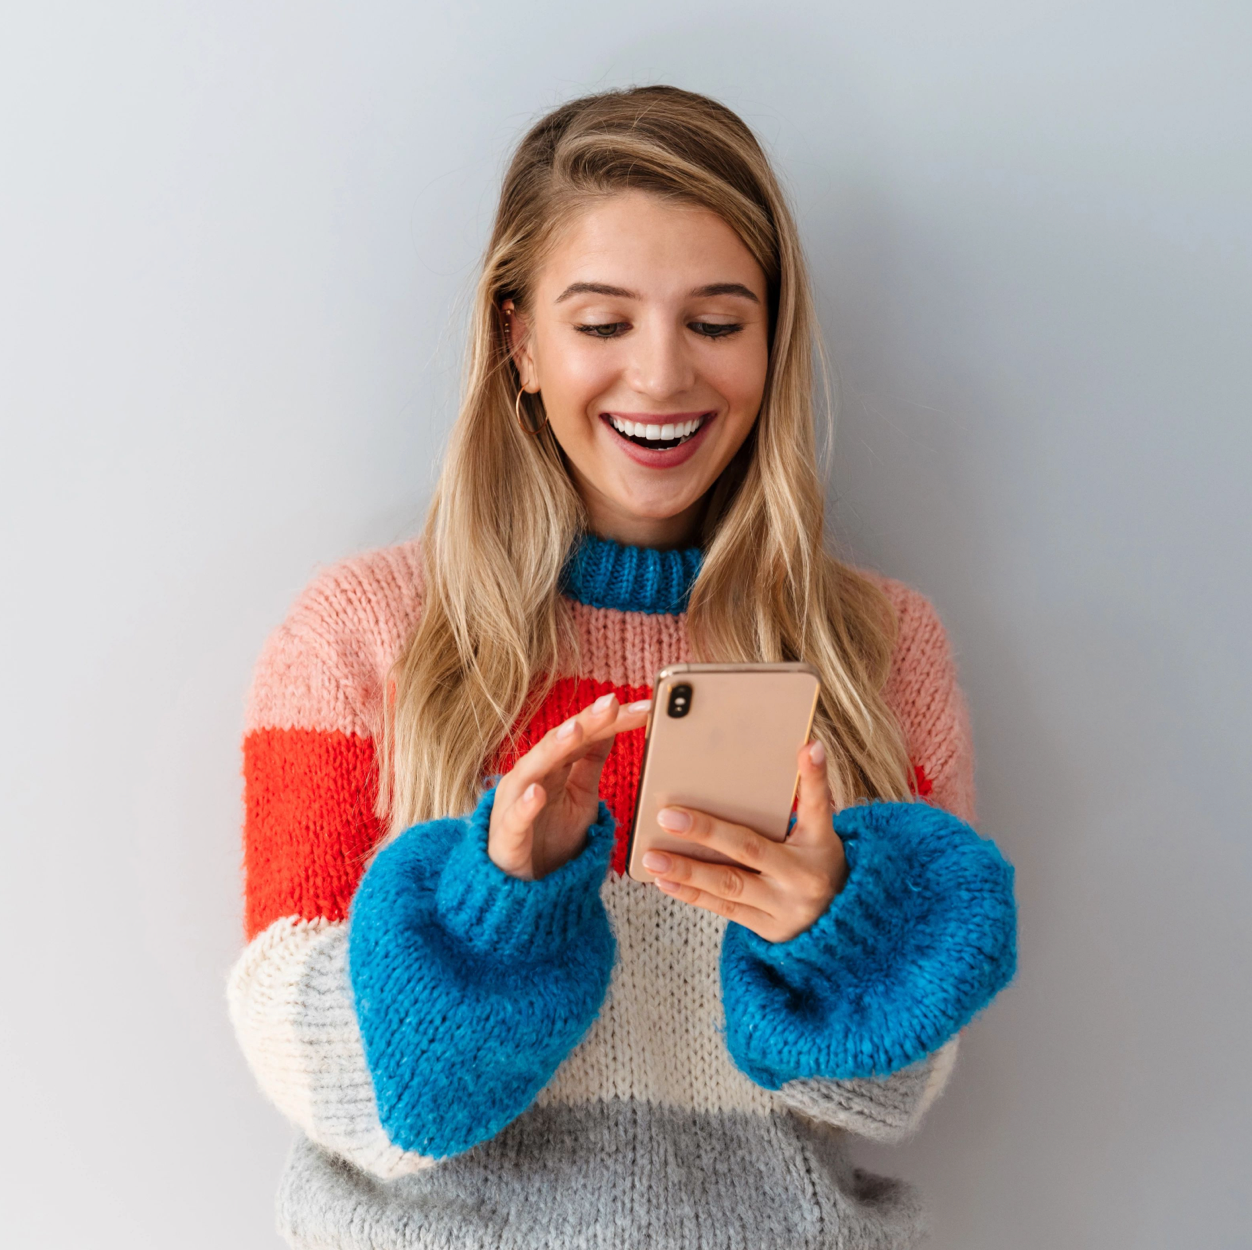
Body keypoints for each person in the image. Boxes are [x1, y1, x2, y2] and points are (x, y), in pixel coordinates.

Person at [228, 85, 1016, 1250]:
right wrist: (499, 915)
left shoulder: (875, 649)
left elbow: (887, 1096)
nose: (660, 377)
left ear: (772, 338)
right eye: (602, 323)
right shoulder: (361, 635)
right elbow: (320, 1076)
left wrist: (821, 932)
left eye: (716, 320)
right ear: (519, 340)